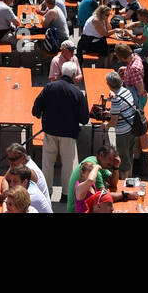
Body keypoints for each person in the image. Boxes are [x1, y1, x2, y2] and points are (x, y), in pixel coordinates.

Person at [32, 60, 88, 198]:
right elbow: (84, 119)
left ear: (62, 72)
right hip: (69, 134)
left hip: (50, 132)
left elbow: (35, 110)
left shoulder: (49, 87)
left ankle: (47, 192)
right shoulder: (77, 93)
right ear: (74, 75)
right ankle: (65, 194)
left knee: (47, 164)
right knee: (67, 166)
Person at [103, 71, 141, 169]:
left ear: (109, 85)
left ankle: (125, 182)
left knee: (123, 161)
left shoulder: (116, 99)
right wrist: (111, 113)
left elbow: (113, 122)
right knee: (129, 157)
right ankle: (130, 178)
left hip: (123, 133)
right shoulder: (126, 90)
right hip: (133, 128)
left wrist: (105, 125)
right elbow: (123, 109)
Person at [66, 144, 120, 210]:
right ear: (101, 154)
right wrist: (124, 195)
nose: (112, 163)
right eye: (110, 159)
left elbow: (113, 183)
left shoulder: (99, 162)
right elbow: (103, 196)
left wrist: (116, 167)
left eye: (113, 160)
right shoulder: (93, 168)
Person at [114, 43, 146, 107]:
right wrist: (126, 69)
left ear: (123, 58)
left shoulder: (134, 69)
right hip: (130, 91)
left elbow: (140, 90)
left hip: (135, 99)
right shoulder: (135, 56)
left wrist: (133, 106)